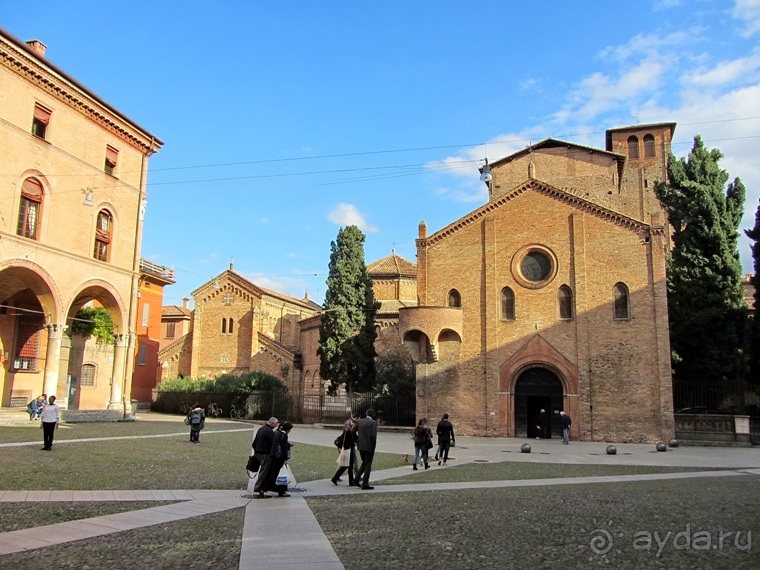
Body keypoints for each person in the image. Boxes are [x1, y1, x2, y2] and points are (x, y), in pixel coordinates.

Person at [256, 421, 294, 498]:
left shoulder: (276, 433)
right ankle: (281, 491)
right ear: (287, 429)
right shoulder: (283, 435)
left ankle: (264, 488)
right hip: (278, 458)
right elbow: (283, 448)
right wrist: (286, 458)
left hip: (273, 457)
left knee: (271, 474)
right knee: (278, 475)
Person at [331, 414, 358, 486]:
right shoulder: (348, 432)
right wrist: (353, 443)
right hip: (348, 450)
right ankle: (337, 478)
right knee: (347, 466)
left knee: (348, 466)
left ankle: (349, 481)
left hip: (348, 449)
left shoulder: (347, 432)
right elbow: (347, 442)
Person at [251, 416, 278, 482]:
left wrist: (255, 452)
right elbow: (274, 443)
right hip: (265, 454)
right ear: (272, 423)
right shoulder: (270, 432)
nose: (276, 425)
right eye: (275, 424)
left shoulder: (261, 429)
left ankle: (262, 485)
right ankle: (259, 487)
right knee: (264, 471)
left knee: (263, 470)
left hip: (258, 452)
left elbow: (254, 443)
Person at [356, 409, 377, 490]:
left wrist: (357, 441)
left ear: (366, 413)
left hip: (361, 446)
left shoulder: (360, 421)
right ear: (373, 415)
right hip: (369, 446)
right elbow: (373, 436)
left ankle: (356, 478)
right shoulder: (373, 423)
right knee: (368, 465)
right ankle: (365, 483)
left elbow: (353, 431)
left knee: (364, 463)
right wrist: (373, 446)